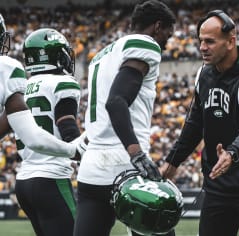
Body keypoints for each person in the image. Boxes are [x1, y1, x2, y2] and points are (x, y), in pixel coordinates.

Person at [159, 10, 239, 236]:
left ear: (230, 41)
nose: (203, 47)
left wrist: (233, 153)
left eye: (210, 41)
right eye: (200, 41)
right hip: (219, 182)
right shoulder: (204, 75)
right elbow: (195, 123)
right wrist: (173, 161)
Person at [74, 1, 176, 236]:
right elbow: (116, 102)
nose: (166, 43)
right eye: (166, 37)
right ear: (157, 27)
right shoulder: (144, 44)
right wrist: (136, 153)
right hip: (126, 165)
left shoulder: (101, 55)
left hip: (92, 168)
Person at [13, 28, 82, 236]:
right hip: (51, 178)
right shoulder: (63, 83)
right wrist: (84, 151)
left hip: (24, 181)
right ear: (56, 55)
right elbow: (67, 125)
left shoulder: (22, 87)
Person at [0, 14, 83, 160]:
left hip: (24, 174)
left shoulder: (25, 86)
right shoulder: (62, 83)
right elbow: (68, 129)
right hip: (53, 172)